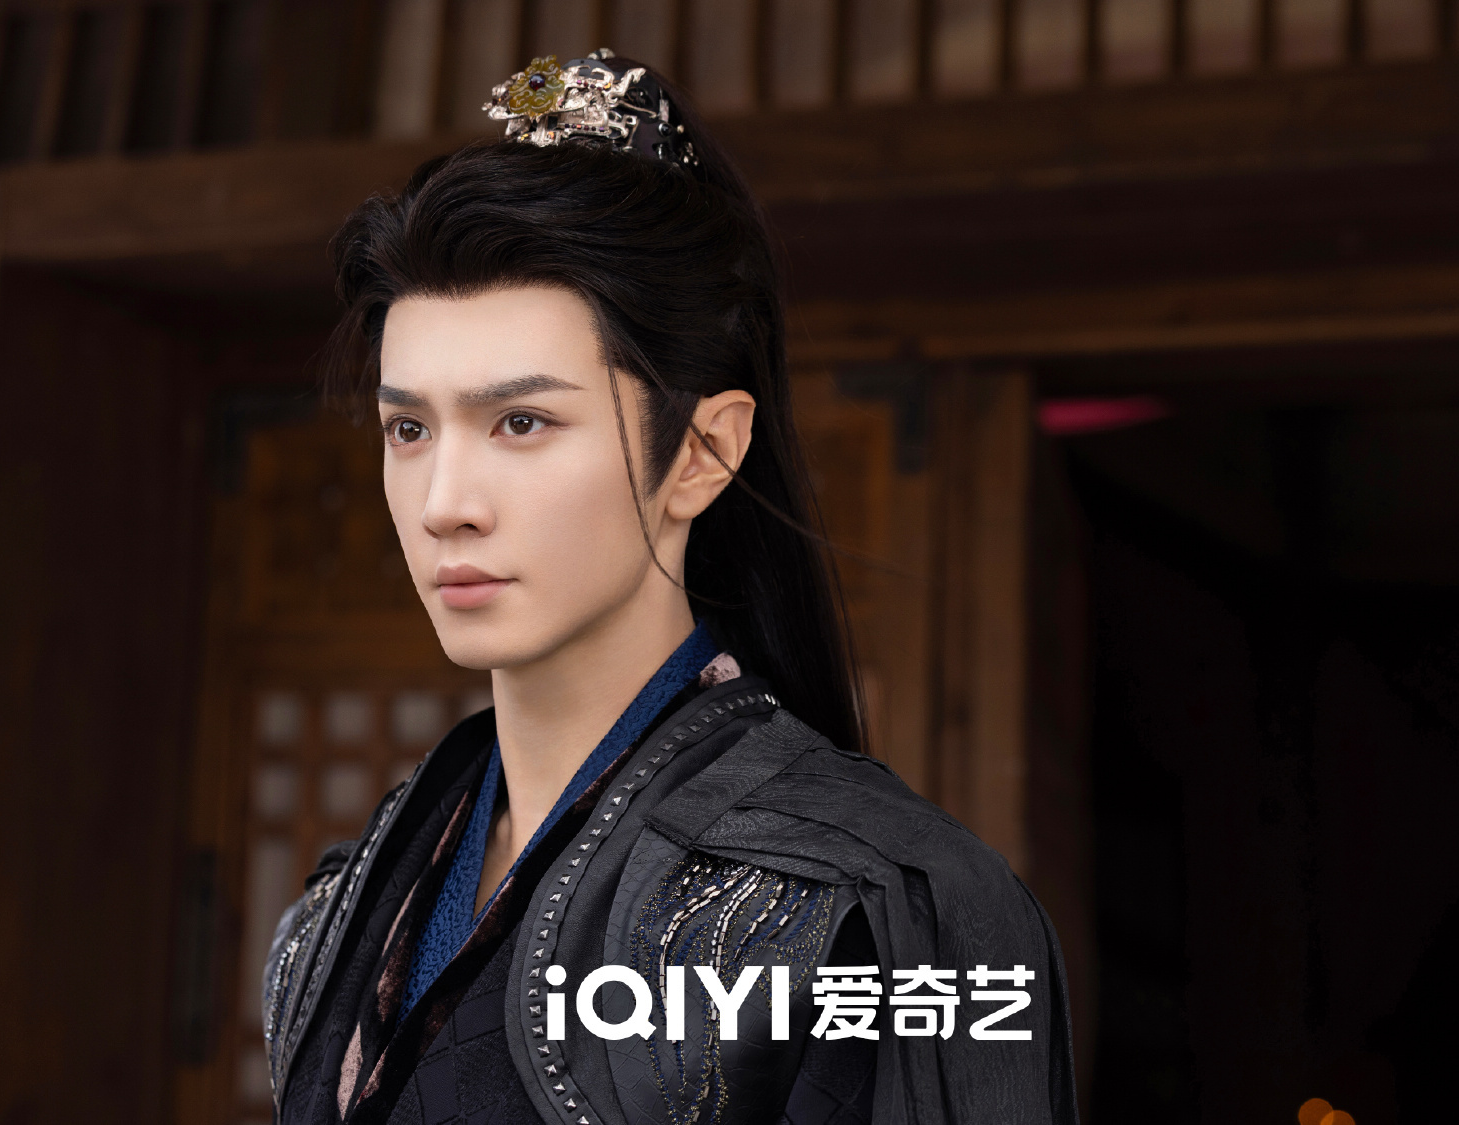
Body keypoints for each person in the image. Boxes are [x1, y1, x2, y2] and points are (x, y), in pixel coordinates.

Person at [261, 50, 1075, 1125]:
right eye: (408, 429)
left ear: (703, 451)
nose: (444, 502)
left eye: (521, 422)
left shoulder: (879, 908)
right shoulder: (337, 916)